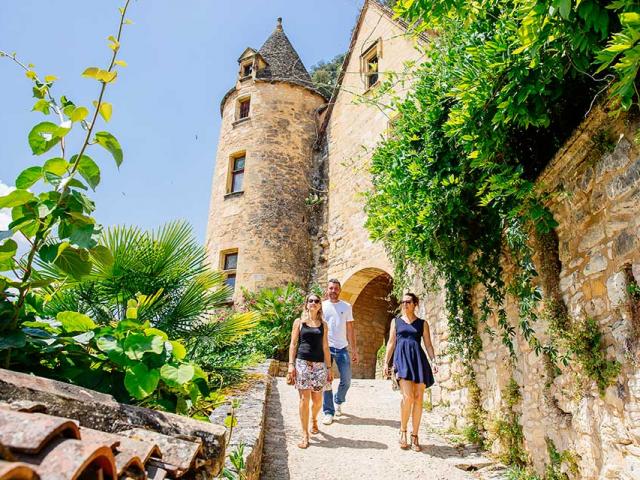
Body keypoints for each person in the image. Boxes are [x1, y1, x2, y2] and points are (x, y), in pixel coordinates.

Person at [383, 292, 438, 452]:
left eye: (408, 302)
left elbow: (428, 345)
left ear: (415, 304)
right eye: (403, 302)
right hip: (402, 360)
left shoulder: (422, 323)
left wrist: (433, 360)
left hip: (418, 361)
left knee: (418, 398)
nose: (405, 304)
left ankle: (415, 436)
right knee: (407, 397)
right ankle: (403, 430)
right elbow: (391, 343)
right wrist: (386, 362)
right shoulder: (396, 322)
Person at [287, 293, 333, 449]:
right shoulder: (299, 322)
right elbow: (293, 344)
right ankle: (304, 433)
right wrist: (291, 365)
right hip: (302, 364)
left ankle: (314, 419)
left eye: (316, 301)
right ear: (306, 304)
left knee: (318, 400)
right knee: (304, 399)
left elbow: (326, 347)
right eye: (310, 300)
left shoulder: (324, 325)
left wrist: (329, 367)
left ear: (320, 305)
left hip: (320, 365)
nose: (313, 303)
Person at [321, 278, 358, 425]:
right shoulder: (322, 306)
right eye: (331, 288)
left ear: (339, 290)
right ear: (327, 290)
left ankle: (338, 400)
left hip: (342, 348)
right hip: (326, 348)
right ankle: (328, 412)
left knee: (347, 380)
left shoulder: (346, 306)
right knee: (327, 381)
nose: (333, 291)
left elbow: (350, 330)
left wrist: (354, 350)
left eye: (336, 288)